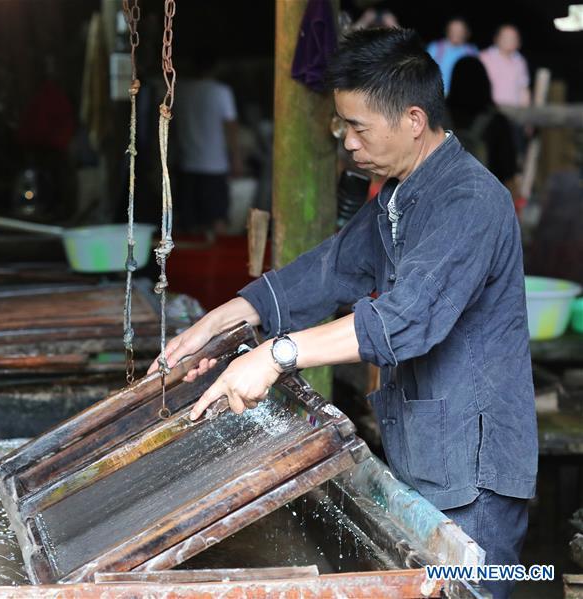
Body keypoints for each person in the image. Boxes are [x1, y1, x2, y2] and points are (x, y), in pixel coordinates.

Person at [150, 28, 536, 599]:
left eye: (358, 127)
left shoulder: (470, 201)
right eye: (343, 125)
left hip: (475, 473)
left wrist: (275, 356)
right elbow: (328, 270)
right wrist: (223, 318)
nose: (347, 142)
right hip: (431, 449)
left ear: (412, 119)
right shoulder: (402, 196)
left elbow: (406, 319)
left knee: (469, 590)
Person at [172, 52, 243, 234]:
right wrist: (236, 159)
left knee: (189, 223)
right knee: (217, 220)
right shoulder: (221, 92)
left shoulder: (179, 91)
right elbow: (231, 128)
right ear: (215, 68)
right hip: (215, 167)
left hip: (187, 165)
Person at [446, 56, 518, 187]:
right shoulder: (497, 122)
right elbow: (508, 172)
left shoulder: (437, 118)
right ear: (485, 82)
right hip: (484, 199)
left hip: (441, 198)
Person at [479, 25, 531, 108]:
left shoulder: (520, 61)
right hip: (491, 111)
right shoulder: (484, 58)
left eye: (513, 38)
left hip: (514, 112)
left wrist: (525, 112)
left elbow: (523, 88)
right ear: (496, 39)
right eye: (505, 37)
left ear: (518, 42)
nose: (509, 40)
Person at [426, 17, 477, 95]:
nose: (456, 33)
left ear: (466, 32)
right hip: (438, 95)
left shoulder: (472, 51)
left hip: (463, 95)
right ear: (447, 31)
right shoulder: (435, 48)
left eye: (460, 30)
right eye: (452, 30)